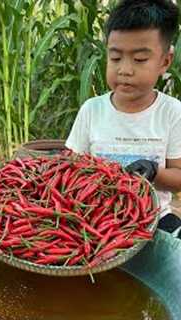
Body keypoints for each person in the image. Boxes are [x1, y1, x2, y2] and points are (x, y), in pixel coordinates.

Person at [66, 0, 181, 238]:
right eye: (116, 58)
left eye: (139, 60)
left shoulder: (172, 112)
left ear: (165, 61)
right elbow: (68, 170)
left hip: (153, 217)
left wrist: (154, 171)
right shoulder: (92, 110)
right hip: (95, 218)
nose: (125, 70)